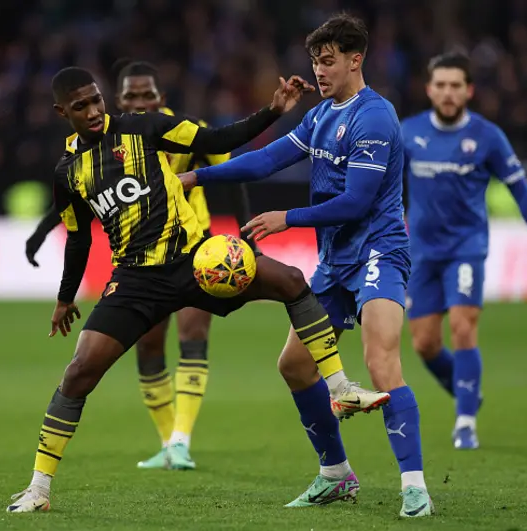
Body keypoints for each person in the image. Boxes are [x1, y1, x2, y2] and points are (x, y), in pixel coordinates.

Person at [7, 66, 356, 513]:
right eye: (81, 107)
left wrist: (273, 109)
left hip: (196, 262)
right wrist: (64, 297)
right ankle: (38, 488)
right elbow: (78, 237)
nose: (94, 111)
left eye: (96, 100)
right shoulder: (68, 171)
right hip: (135, 281)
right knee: (78, 373)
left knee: (290, 280)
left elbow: (216, 142)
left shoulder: (142, 127)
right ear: (62, 112)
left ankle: (340, 385)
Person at [180, 14, 433, 517]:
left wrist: (286, 218)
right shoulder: (320, 115)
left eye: (329, 61)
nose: (320, 71)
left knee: (382, 363)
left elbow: (358, 201)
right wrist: (197, 177)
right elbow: (265, 159)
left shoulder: (375, 118)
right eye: (316, 61)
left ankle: (415, 486)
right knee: (294, 365)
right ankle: (336, 474)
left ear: (355, 59)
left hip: (378, 250)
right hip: (335, 261)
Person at [24, 59, 259, 471]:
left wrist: (245, 229)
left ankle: (182, 440)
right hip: (140, 261)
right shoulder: (107, 140)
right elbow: (81, 197)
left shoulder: (170, 129)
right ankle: (169, 443)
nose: (140, 100)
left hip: (195, 247)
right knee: (149, 347)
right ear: (118, 101)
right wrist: (44, 229)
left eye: (147, 94)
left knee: (192, 334)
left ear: (160, 98)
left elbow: (231, 173)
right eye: (131, 95)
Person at [401, 52, 527, 450]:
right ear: (429, 90)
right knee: (424, 344)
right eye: (442, 85)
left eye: (456, 86)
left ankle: (465, 421)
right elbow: (382, 188)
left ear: (468, 90)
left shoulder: (488, 137)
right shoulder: (408, 133)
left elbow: (521, 189)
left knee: (464, 327)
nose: (449, 93)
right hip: (420, 254)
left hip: (466, 250)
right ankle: (469, 392)